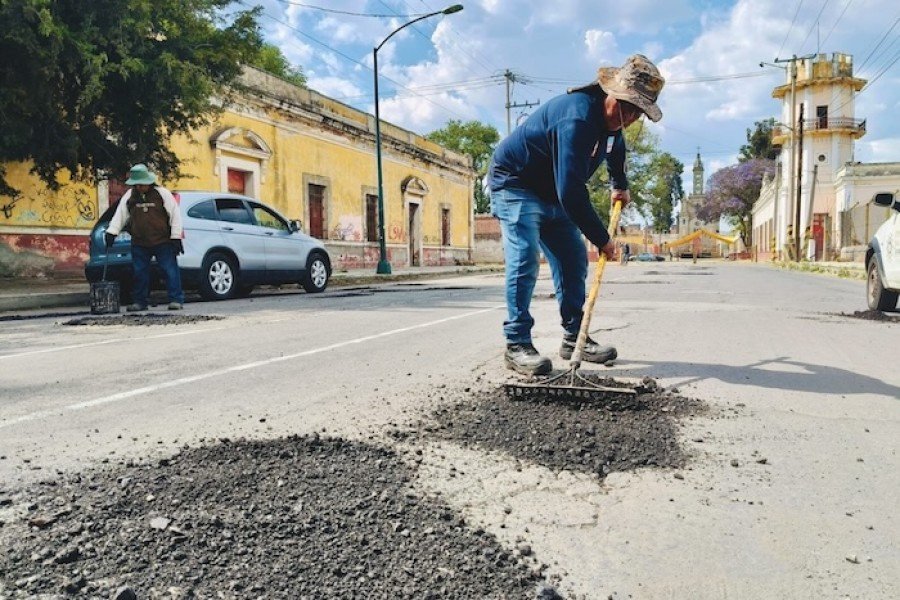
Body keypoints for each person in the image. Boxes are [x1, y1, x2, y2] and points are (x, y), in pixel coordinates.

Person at [487, 54, 664, 375]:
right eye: (627, 107)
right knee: (525, 257)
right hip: (516, 182)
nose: (631, 117)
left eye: (638, 112)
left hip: (554, 188)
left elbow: (616, 143)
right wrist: (603, 240)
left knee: (573, 261)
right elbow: (571, 192)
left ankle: (573, 338)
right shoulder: (578, 119)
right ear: (611, 93)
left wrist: (619, 184)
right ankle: (517, 344)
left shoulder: (615, 121)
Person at [105, 164, 185, 311]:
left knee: (169, 270)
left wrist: (176, 237)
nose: (140, 187)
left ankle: (176, 299)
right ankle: (140, 302)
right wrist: (112, 232)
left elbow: (175, 216)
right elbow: (120, 215)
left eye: (142, 184)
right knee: (139, 272)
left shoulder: (163, 194)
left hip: (163, 241)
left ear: (149, 181)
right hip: (139, 242)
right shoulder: (129, 196)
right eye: (137, 184)